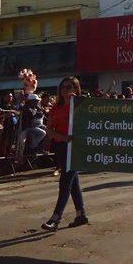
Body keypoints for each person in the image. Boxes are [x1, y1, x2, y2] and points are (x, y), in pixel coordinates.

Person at [42, 76, 88, 231]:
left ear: (76, 88)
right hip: (61, 147)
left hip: (75, 148)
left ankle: (56, 217)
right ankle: (80, 214)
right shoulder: (56, 107)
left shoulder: (80, 105)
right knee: (73, 182)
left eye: (70, 87)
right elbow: (49, 129)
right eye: (63, 87)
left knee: (65, 182)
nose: (66, 90)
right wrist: (62, 137)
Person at [16, 94, 47, 163]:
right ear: (30, 101)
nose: (36, 102)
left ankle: (33, 148)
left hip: (30, 128)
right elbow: (31, 114)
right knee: (21, 144)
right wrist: (37, 112)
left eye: (37, 101)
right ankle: (19, 161)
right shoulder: (26, 107)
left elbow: (40, 112)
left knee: (43, 132)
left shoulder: (35, 107)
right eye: (35, 101)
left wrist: (39, 110)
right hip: (23, 128)